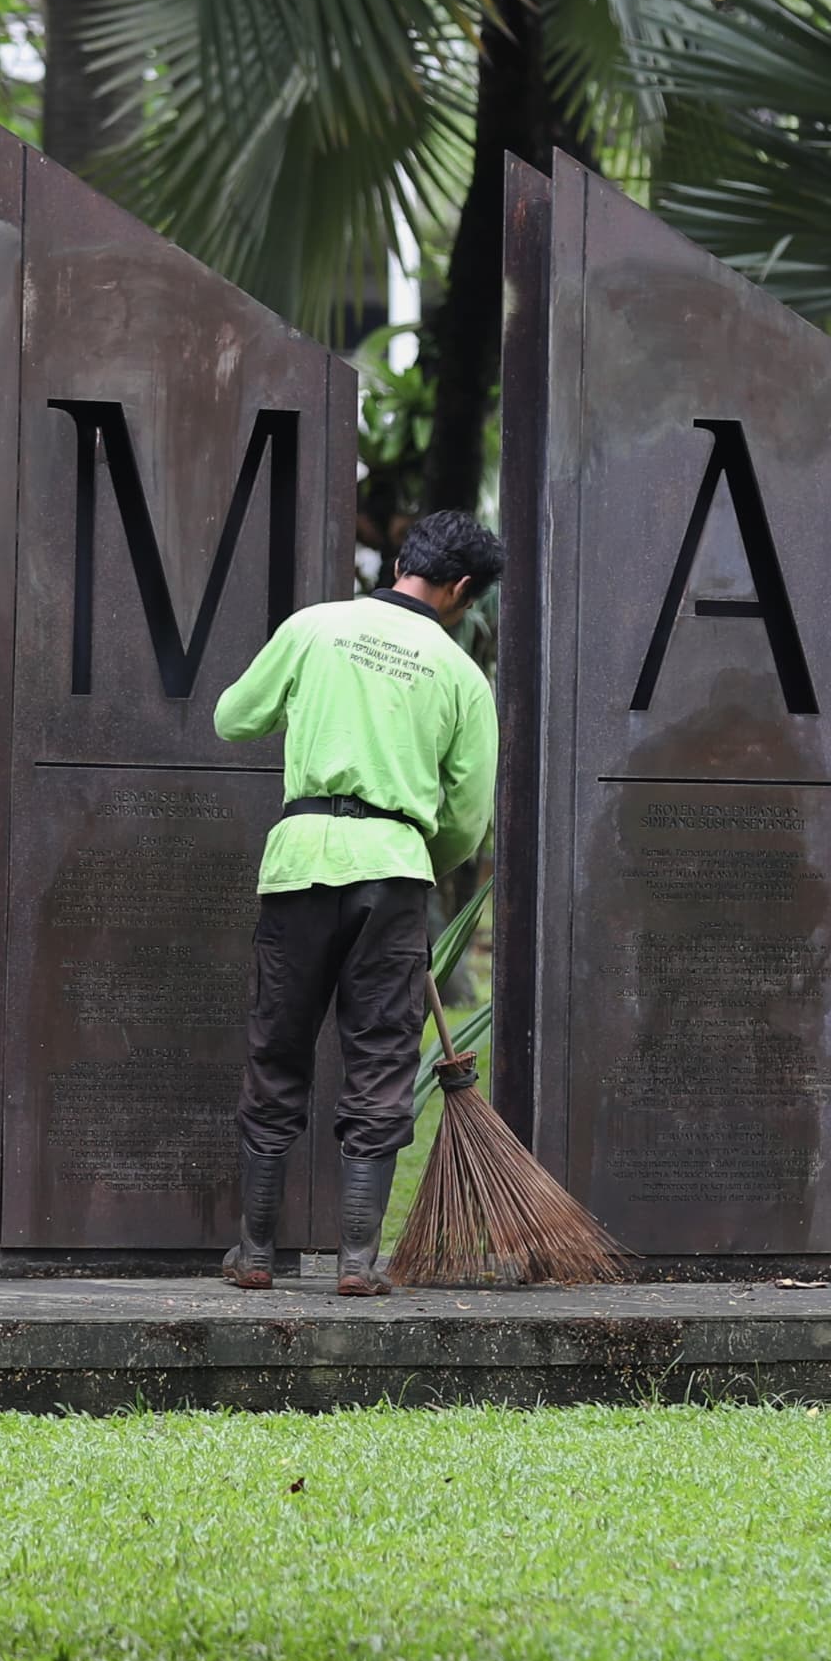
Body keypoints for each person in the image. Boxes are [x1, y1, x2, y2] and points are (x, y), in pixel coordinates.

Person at [211, 509, 504, 1296]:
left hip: (299, 865)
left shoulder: (314, 627)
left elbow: (233, 719)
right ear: (462, 588)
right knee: (379, 1058)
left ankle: (256, 1253)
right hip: (395, 875)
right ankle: (357, 1263)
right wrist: (411, 859)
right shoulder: (461, 676)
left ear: (404, 560)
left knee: (278, 1049)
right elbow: (467, 817)